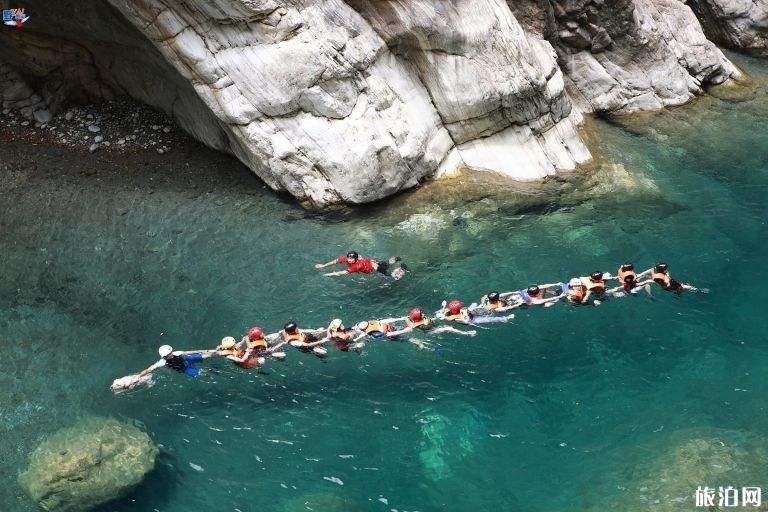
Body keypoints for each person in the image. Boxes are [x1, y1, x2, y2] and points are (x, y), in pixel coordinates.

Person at [314, 251, 407, 280]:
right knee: (386, 263)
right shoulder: (346, 258)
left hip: (375, 268)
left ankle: (402, 268)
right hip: (372, 262)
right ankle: (398, 258)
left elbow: (342, 273)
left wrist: (329, 274)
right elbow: (335, 261)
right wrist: (323, 266)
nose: (349, 260)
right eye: (348, 258)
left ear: (355, 259)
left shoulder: (356, 266)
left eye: (351, 259)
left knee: (390, 275)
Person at [386, 308, 476, 337]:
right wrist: (392, 333)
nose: (423, 313)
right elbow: (406, 330)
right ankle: (466, 333)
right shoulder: (422, 322)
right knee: (448, 328)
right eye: (422, 314)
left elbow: (396, 319)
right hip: (428, 332)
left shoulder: (409, 318)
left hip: (426, 327)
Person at [139, 345, 215, 378]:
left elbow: (193, 352)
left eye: (171, 352)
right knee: (202, 373)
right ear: (164, 357)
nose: (171, 354)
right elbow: (149, 369)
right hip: (184, 369)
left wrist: (210, 351)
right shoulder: (162, 362)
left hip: (186, 360)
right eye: (169, 354)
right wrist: (139, 376)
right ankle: (212, 371)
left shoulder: (176, 353)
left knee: (205, 355)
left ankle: (220, 353)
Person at [436, 299, 514, 325]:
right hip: (473, 319)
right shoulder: (454, 316)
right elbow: (466, 320)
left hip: (473, 312)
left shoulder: (449, 310)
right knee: (489, 319)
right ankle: (505, 318)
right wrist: (445, 316)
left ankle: (501, 311)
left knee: (474, 305)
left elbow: (439, 312)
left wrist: (442, 311)